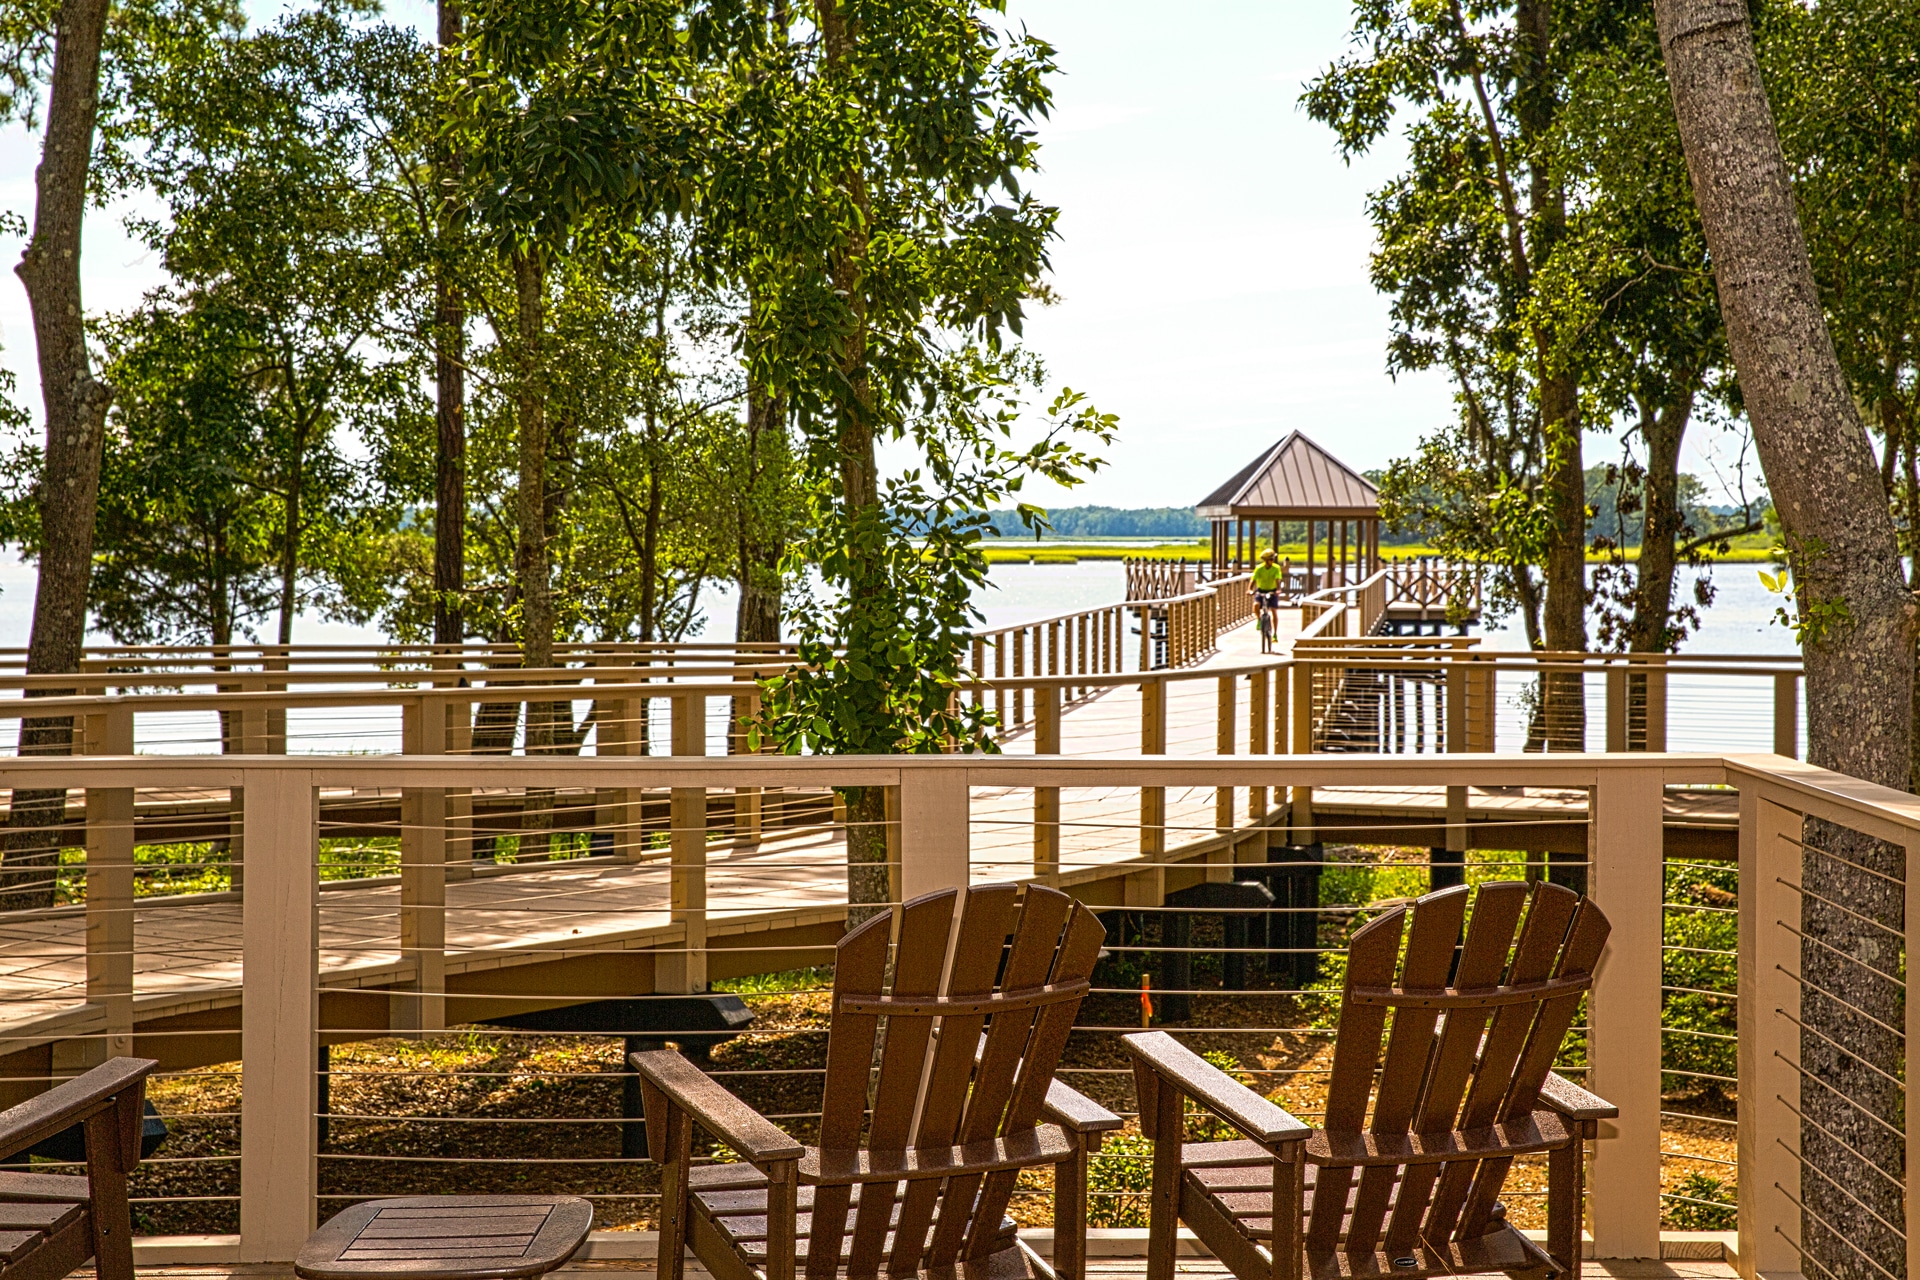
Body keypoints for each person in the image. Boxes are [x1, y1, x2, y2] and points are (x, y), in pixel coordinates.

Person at [1250, 549, 1284, 652]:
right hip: (1261, 590)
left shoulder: (1276, 568)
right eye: (1271, 559)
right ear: (1266, 560)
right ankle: (1259, 620)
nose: (1272, 560)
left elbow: (1277, 580)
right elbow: (1253, 579)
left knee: (1273, 611)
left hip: (1272, 591)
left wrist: (1278, 589)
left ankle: (1274, 634)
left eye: (1273, 559)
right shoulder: (1259, 568)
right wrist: (1249, 589)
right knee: (1256, 605)